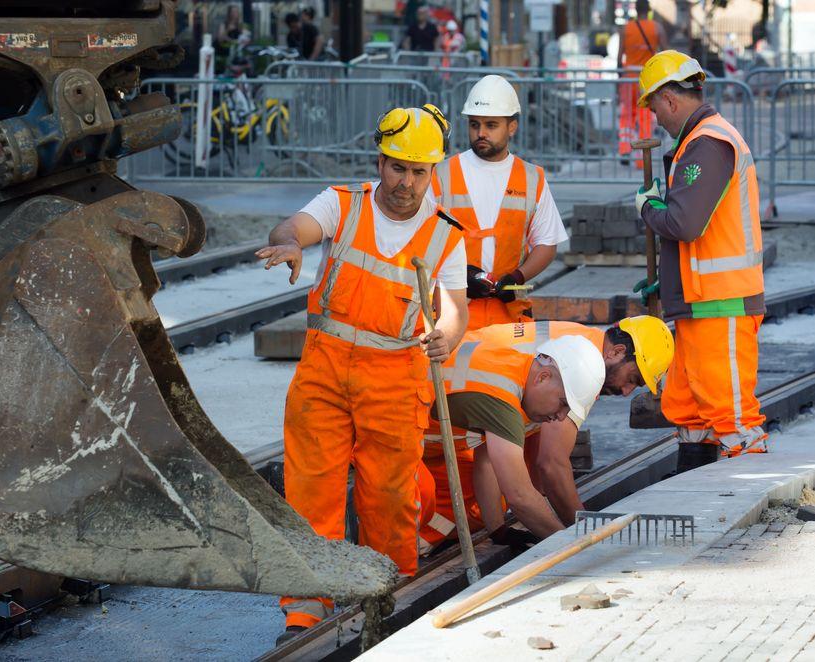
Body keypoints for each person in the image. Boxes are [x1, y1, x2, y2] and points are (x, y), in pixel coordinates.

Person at [256, 105, 468, 644]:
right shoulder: (343, 205)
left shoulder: (445, 235)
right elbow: (298, 224)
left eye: (419, 172)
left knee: (390, 494)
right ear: (381, 160)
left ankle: (387, 590)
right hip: (324, 372)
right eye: (398, 168)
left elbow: (456, 307)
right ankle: (306, 603)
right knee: (312, 488)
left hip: (396, 376)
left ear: (432, 173)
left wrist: (450, 332)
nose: (407, 182)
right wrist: (289, 242)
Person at [418, 316, 674, 554]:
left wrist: (498, 529)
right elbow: (546, 470)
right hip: (404, 430)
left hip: (429, 430)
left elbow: (488, 456)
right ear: (617, 352)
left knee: (470, 511)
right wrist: (576, 543)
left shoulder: (549, 362)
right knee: (424, 500)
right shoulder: (574, 369)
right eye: (632, 378)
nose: (627, 392)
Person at [634, 50, 767, 472]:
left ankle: (753, 524)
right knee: (691, 415)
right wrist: (669, 281)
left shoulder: (708, 144)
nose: (654, 117)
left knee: (732, 419)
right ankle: (698, 501)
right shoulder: (699, 142)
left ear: (670, 100)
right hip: (700, 304)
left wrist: (648, 208)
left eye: (653, 106)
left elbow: (685, 222)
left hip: (721, 305)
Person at [419, 335, 606, 542]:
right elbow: (520, 496)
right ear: (543, 377)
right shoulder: (503, 397)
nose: (561, 417)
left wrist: (498, 530)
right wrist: (570, 546)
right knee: (419, 500)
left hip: (410, 434)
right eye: (563, 403)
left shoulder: (513, 367)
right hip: (391, 430)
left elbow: (486, 458)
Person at [431, 75, 568, 331]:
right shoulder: (442, 174)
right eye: (474, 125)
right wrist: (457, 276)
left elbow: (546, 244)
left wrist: (517, 277)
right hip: (451, 311)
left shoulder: (531, 178)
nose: (481, 133)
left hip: (509, 314)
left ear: (512, 127)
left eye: (491, 125)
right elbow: (420, 240)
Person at [617, 0, 668, 167]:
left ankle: (624, 149)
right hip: (646, 78)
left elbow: (619, 57)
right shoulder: (657, 28)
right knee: (644, 116)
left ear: (636, 11)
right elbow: (666, 54)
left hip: (628, 77)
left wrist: (619, 78)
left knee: (627, 114)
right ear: (649, 10)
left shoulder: (626, 28)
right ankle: (641, 159)